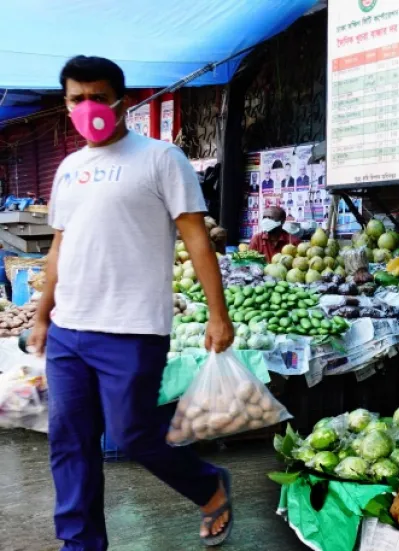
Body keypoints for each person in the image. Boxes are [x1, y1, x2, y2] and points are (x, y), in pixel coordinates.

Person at [29, 56, 235, 550]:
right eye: (77, 99)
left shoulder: (161, 159)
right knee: (70, 443)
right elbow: (60, 247)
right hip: (68, 331)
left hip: (133, 328)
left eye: (98, 97)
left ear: (122, 101)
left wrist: (218, 313)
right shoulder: (68, 168)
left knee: (133, 433)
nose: (88, 107)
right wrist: (41, 315)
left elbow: (197, 240)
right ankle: (79, 544)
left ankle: (207, 485)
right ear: (66, 104)